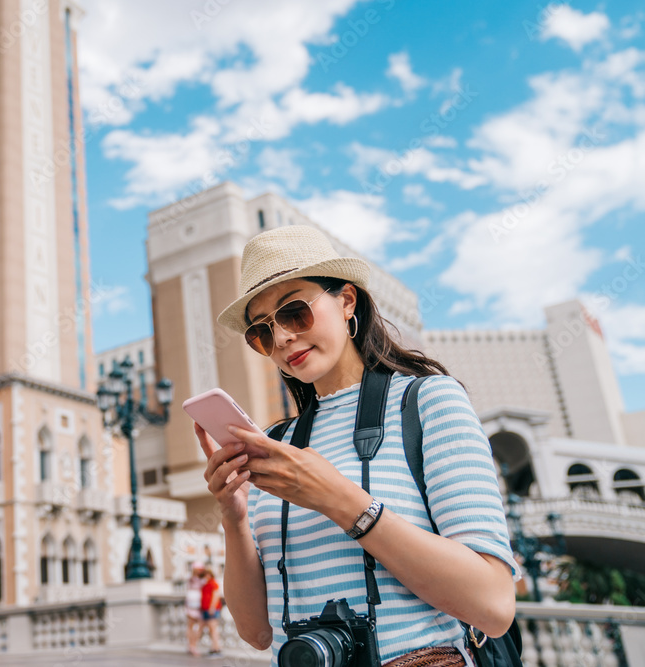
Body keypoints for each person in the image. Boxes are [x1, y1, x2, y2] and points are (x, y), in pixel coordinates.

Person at [198, 226, 519, 666]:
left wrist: (337, 498)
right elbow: (256, 632)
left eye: (294, 312)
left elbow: (494, 605)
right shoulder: (276, 443)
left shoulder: (427, 401)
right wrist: (233, 518)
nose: (284, 338)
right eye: (263, 332)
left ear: (346, 300)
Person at [184, 561, 205, 657]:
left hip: (194, 605)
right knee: (194, 627)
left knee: (193, 627)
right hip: (194, 605)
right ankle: (192, 645)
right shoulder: (195, 579)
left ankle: (191, 645)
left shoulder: (191, 579)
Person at [200, 568, 223, 657]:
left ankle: (216, 648)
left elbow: (215, 596)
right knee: (211, 630)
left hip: (211, 609)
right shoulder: (207, 584)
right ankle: (214, 647)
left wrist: (212, 607)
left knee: (213, 630)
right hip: (206, 609)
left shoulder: (213, 584)